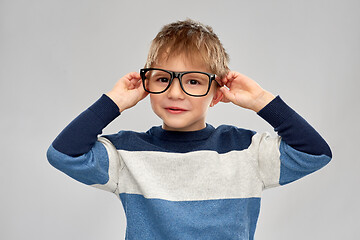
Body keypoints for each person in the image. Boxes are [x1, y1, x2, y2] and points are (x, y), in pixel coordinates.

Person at [47, 19, 332, 240]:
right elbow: (64, 154)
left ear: (217, 93)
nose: (175, 93)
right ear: (148, 86)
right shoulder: (127, 154)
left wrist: (262, 102)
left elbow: (314, 153)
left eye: (193, 81)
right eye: (162, 79)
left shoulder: (246, 151)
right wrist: (113, 103)